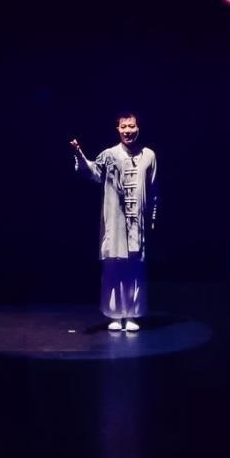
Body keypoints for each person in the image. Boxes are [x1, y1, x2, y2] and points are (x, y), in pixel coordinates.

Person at [70, 112, 159, 332]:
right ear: (118, 129)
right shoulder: (109, 154)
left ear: (138, 128)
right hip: (115, 221)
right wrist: (79, 155)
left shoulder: (149, 155)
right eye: (124, 126)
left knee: (134, 270)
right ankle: (115, 314)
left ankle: (131, 314)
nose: (128, 130)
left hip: (137, 222)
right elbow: (93, 172)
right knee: (114, 268)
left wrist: (153, 216)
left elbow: (154, 189)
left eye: (131, 126)